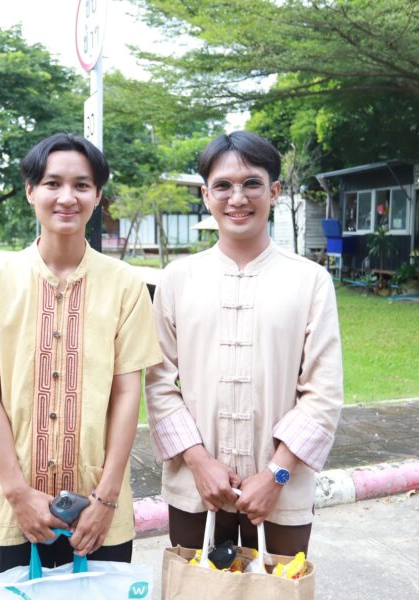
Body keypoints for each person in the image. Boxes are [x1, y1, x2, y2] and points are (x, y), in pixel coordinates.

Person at [0, 133, 162, 576]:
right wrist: (17, 494)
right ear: (31, 191)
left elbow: (127, 394)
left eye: (82, 185)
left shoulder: (125, 285)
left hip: (98, 512)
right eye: (52, 183)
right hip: (8, 510)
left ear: (98, 196)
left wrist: (106, 498)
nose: (67, 197)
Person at [145, 131, 343, 556]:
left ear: (274, 191)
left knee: (280, 581)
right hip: (195, 486)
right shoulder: (177, 279)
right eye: (223, 186)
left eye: (252, 183)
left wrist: (277, 474)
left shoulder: (310, 281)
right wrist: (199, 462)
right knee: (194, 583)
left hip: (282, 490)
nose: (237, 198)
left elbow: (323, 392)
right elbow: (158, 382)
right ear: (206, 195)